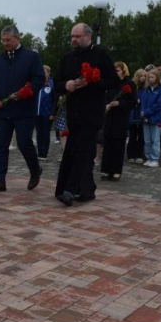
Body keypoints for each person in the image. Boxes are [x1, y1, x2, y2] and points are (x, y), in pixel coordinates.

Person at [53, 23, 116, 205]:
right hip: (74, 112)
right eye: (72, 36)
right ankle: (87, 190)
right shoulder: (67, 58)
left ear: (88, 36)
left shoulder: (101, 54)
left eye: (77, 36)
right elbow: (57, 81)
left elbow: (112, 80)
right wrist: (66, 85)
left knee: (81, 150)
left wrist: (93, 83)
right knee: (74, 150)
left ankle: (70, 190)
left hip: (92, 112)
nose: (73, 39)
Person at [0, 25, 45, 193]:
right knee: (0, 145)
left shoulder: (31, 57)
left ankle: (35, 170)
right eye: (3, 40)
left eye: (8, 40)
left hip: (23, 110)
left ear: (17, 38)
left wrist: (24, 93)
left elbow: (39, 79)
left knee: (24, 143)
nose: (5, 43)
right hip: (3, 111)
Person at [100, 62, 137, 181]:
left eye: (118, 70)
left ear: (123, 71)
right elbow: (105, 97)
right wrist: (106, 104)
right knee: (108, 144)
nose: (116, 72)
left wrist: (119, 103)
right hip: (109, 116)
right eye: (114, 70)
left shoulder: (129, 83)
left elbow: (133, 101)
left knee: (118, 146)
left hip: (121, 117)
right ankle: (106, 170)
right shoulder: (111, 83)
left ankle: (116, 171)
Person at [139, 70, 161, 168]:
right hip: (145, 118)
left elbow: (159, 105)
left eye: (152, 77)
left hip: (156, 118)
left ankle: (155, 159)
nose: (150, 79)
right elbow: (143, 102)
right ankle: (148, 158)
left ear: (157, 78)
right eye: (149, 77)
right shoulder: (146, 89)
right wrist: (143, 113)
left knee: (155, 139)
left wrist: (146, 112)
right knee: (147, 140)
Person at [126, 68, 148, 164]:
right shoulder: (132, 87)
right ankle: (131, 155)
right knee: (132, 135)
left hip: (142, 114)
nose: (143, 78)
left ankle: (139, 155)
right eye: (141, 76)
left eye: (144, 76)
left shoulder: (147, 89)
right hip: (133, 114)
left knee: (142, 136)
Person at [35, 65, 55, 161]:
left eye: (45, 72)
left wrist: (52, 113)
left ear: (48, 73)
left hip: (47, 113)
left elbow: (55, 100)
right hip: (37, 113)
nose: (43, 74)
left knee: (45, 133)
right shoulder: (38, 83)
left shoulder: (52, 84)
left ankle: (45, 152)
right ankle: (39, 151)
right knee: (39, 133)